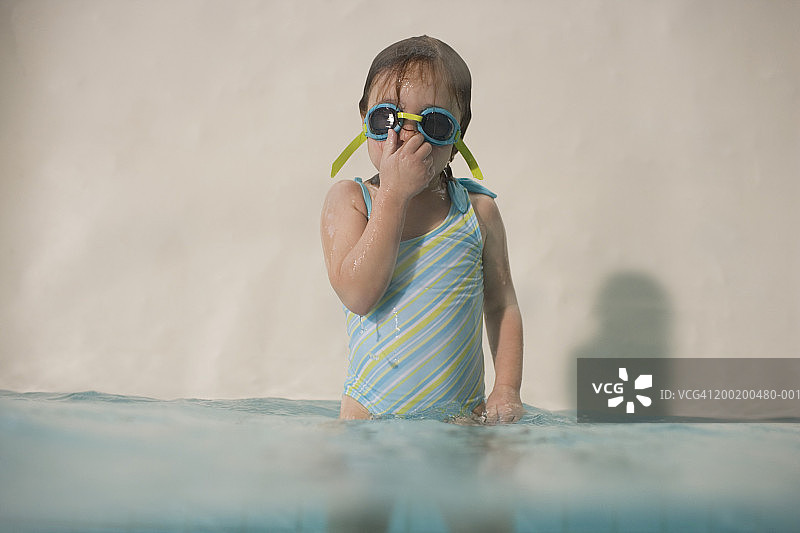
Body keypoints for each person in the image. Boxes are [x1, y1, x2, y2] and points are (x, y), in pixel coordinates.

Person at [320, 35, 524, 423]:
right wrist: (393, 195)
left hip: (459, 423)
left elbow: (502, 305)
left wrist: (506, 390)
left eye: (433, 123)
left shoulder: (477, 212)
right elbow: (358, 294)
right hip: (370, 424)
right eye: (387, 119)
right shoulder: (350, 201)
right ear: (364, 121)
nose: (407, 136)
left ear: (459, 133)